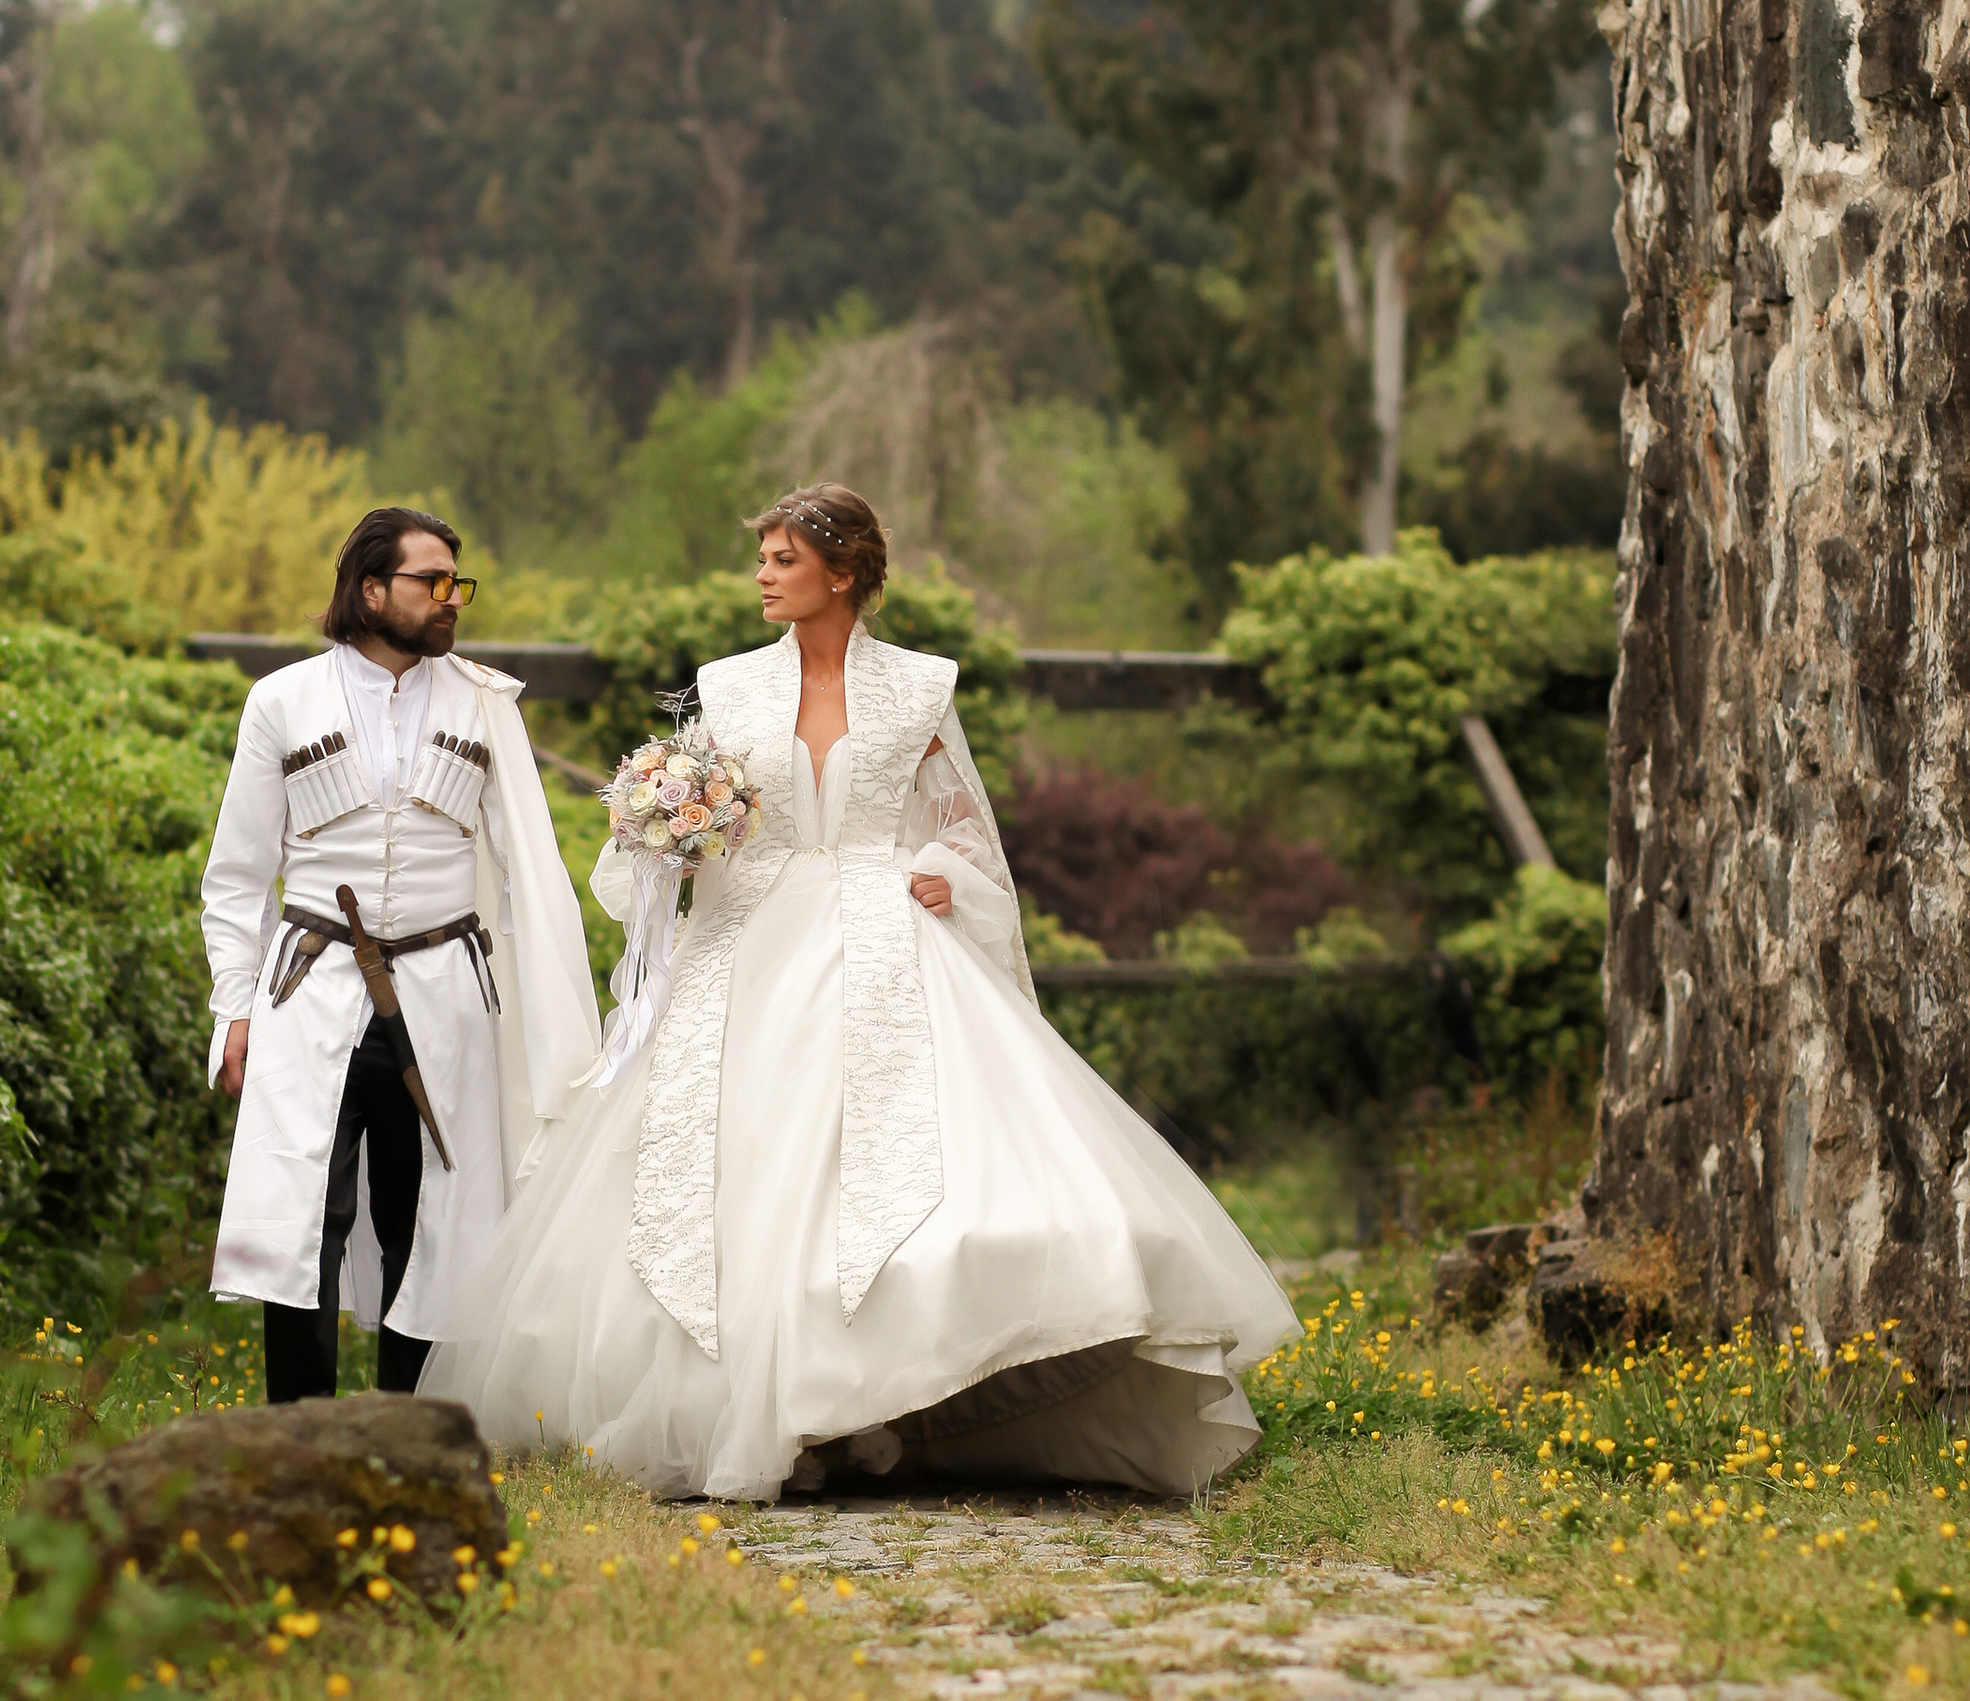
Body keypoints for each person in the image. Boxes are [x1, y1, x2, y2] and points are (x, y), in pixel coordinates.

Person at [421, 483, 1295, 1496]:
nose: (761, 575)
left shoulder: (920, 688)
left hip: (888, 934)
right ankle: (760, 1410)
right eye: (761, 558)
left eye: (781, 560)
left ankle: (891, 1398)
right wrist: (670, 837)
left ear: (842, 573)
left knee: (907, 1172)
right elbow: (693, 834)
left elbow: (965, 828)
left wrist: (946, 874)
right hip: (750, 943)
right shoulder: (731, 686)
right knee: (729, 1176)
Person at [200, 505, 600, 1402]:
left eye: (458, 583)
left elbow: (528, 865)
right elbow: (237, 873)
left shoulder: (485, 705)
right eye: (432, 582)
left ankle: (406, 1431)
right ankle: (298, 1430)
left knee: (428, 1220)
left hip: (444, 991)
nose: (451, 599)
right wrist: (234, 1007)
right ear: (372, 588)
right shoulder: (282, 700)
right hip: (311, 987)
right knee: (307, 1211)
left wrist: (547, 1012)